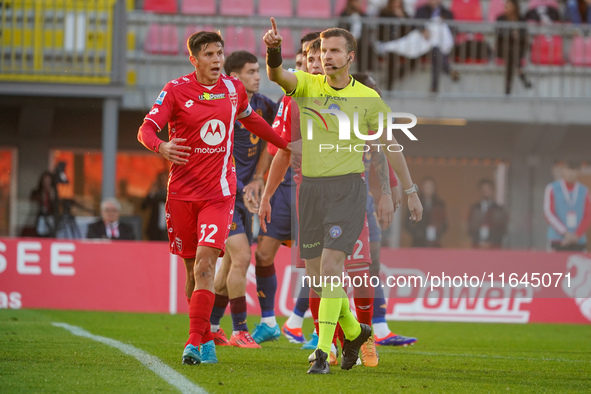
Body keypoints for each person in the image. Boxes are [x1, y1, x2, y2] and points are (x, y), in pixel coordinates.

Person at [263, 19, 423, 374]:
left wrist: (408, 190)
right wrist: (273, 50)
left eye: (334, 50)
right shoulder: (306, 86)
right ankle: (355, 331)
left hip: (348, 190)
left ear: (350, 56)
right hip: (312, 193)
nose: (326, 56)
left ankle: (322, 352)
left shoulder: (368, 98)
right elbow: (277, 75)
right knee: (319, 278)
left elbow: (390, 145)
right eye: (322, 50)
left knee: (335, 268)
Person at [137, 31, 290, 366]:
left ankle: (194, 342)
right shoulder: (175, 90)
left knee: (208, 264)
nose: (217, 60)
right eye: (209, 54)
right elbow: (146, 129)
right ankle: (205, 334)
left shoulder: (233, 89)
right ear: (194, 59)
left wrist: (282, 142)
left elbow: (250, 118)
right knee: (193, 272)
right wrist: (161, 146)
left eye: (220, 53)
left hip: (219, 194)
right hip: (181, 195)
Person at [208, 50, 279, 349]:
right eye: (251, 72)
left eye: (258, 70)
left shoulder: (262, 104)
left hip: (244, 197)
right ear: (234, 77)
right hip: (220, 194)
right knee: (242, 258)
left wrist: (259, 177)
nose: (258, 76)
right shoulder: (221, 104)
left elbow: (276, 136)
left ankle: (211, 327)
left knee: (227, 269)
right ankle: (239, 329)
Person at [544, 161, 591, 252]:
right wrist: (565, 233)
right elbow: (548, 213)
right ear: (563, 171)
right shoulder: (552, 188)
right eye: (568, 170)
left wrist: (577, 235)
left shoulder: (584, 191)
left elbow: (588, 215)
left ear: (578, 172)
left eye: (573, 171)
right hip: (557, 240)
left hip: (578, 240)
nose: (571, 174)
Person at [415, 0, 459, 93]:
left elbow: (452, 30)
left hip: (440, 44)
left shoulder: (447, 13)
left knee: (436, 53)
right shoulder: (421, 11)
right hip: (424, 43)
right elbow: (414, 25)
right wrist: (423, 30)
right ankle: (449, 70)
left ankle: (434, 87)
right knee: (436, 52)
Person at [496, 0, 532, 95]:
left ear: (514, 7)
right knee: (510, 51)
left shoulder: (521, 19)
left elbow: (524, 35)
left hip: (517, 48)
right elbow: (499, 33)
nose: (506, 8)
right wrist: (512, 34)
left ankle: (508, 87)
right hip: (503, 47)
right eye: (506, 6)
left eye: (509, 6)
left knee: (511, 54)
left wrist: (516, 35)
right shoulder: (501, 18)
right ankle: (521, 73)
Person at [378, 0, 413, 90]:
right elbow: (381, 30)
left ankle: (392, 78)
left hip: (401, 43)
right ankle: (389, 86)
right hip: (387, 43)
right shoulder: (384, 12)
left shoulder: (404, 14)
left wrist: (402, 17)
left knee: (414, 59)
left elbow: (410, 29)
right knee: (392, 57)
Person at [404, 177, 447, 247]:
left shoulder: (439, 204)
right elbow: (406, 223)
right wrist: (417, 232)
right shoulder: (415, 203)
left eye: (430, 187)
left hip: (434, 242)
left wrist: (437, 233)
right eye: (426, 187)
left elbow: (444, 224)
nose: (428, 190)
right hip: (418, 242)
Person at [467, 179, 508, 249]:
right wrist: (479, 241)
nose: (485, 191)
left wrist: (492, 241)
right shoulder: (474, 208)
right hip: (477, 244)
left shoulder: (499, 209)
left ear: (492, 191)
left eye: (487, 189)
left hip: (495, 244)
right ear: (480, 191)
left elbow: (503, 228)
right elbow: (470, 227)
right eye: (483, 189)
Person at [141, 171, 169, 241]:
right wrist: (152, 192)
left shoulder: (174, 193)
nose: (163, 182)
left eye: (165, 179)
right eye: (161, 180)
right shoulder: (155, 195)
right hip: (154, 230)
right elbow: (143, 206)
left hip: (169, 229)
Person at [30, 171, 58, 237]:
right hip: (40, 218)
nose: (46, 182)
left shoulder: (53, 193)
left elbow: (56, 207)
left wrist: (52, 197)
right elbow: (33, 201)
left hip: (50, 218)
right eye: (45, 180)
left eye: (48, 180)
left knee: (50, 235)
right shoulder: (37, 192)